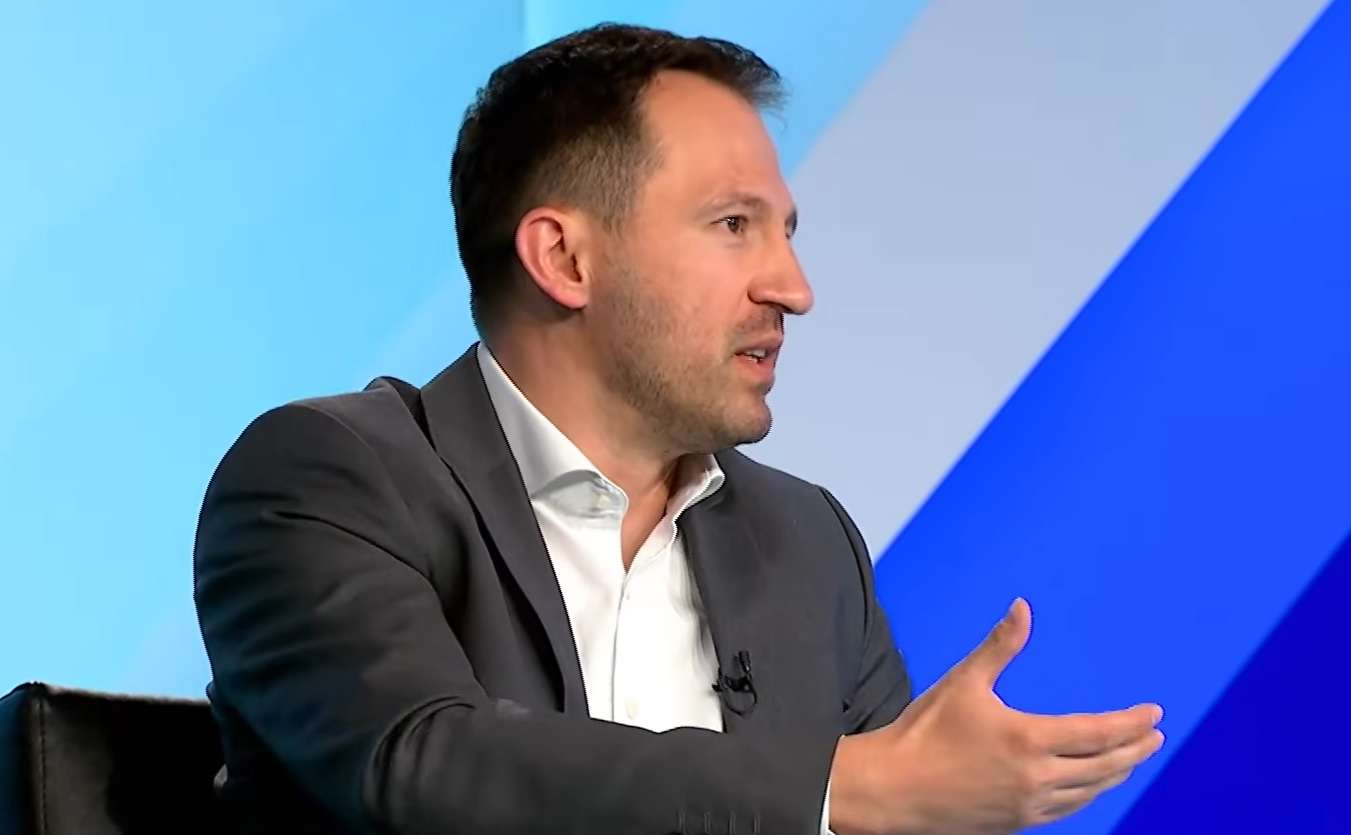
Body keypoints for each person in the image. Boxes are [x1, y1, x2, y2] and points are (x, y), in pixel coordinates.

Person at [193, 23, 1164, 835]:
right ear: (564, 258)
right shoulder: (328, 478)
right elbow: (419, 764)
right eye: (734, 225)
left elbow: (895, 800)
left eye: (786, 232)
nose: (792, 287)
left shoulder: (805, 543)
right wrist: (841, 790)